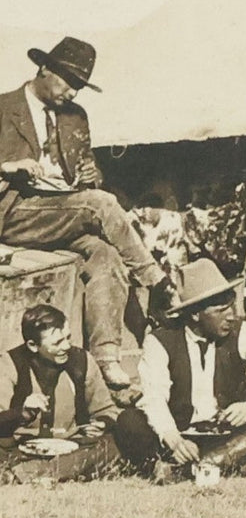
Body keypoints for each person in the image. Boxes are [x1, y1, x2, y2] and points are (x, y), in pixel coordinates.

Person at [0, 37, 172, 387]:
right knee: (102, 203)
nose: (73, 93)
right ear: (44, 69)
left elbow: (85, 168)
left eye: (79, 86)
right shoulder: (3, 109)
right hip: (15, 213)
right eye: (68, 82)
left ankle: (106, 358)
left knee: (106, 255)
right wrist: (9, 166)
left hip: (62, 210)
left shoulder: (75, 117)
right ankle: (157, 280)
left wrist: (95, 175)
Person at [114, 259, 246, 479]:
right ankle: (238, 465)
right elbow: (154, 398)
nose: (231, 316)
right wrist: (174, 440)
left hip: (231, 437)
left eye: (231, 306)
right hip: (183, 439)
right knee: (129, 422)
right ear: (195, 314)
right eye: (220, 310)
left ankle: (190, 471)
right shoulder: (160, 342)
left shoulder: (242, 333)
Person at [0, 305, 133, 483]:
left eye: (67, 338)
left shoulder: (82, 360)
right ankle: (46, 472)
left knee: (117, 442)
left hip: (72, 448)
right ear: (32, 345)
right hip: (19, 449)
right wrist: (21, 413)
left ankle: (26, 474)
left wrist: (102, 423)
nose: (66, 346)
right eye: (57, 343)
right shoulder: (10, 363)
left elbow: (106, 409)